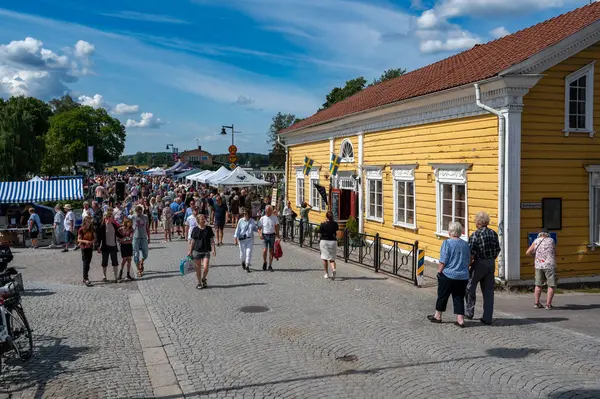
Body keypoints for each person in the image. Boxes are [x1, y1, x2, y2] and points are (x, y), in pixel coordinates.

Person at [427, 222, 471, 328]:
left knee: (443, 295)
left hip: (448, 275)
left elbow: (443, 260)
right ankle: (460, 320)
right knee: (459, 297)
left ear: (450, 232)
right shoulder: (465, 244)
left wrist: (439, 272)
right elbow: (469, 260)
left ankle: (438, 316)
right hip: (462, 276)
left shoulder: (447, 243)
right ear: (460, 232)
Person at [465, 211, 501, 325]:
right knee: (489, 291)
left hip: (479, 263)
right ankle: (487, 317)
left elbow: (471, 253)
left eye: (475, 220)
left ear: (479, 222)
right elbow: (497, 249)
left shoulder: (475, 235)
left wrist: (468, 265)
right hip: (491, 263)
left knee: (470, 287)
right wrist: (492, 258)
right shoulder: (493, 233)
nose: (474, 221)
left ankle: (469, 312)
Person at [526, 229, 557, 310]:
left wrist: (535, 256)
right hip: (549, 265)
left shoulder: (536, 241)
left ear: (539, 234)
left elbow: (527, 252)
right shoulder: (551, 240)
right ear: (547, 234)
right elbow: (554, 252)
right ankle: (548, 304)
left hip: (538, 265)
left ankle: (536, 303)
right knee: (551, 285)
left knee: (538, 284)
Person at [188, 214, 216, 289]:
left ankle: (204, 278)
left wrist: (213, 249)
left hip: (206, 250)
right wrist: (190, 251)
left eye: (204, 218)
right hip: (196, 251)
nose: (203, 220)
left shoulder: (209, 229)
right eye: (201, 219)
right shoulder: (195, 229)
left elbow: (212, 240)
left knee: (206, 267)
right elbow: (193, 241)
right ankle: (199, 282)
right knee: (198, 268)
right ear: (198, 221)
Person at [96, 209, 123, 283]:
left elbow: (118, 234)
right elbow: (99, 237)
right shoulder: (102, 226)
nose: (111, 218)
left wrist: (124, 235)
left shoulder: (114, 225)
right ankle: (104, 276)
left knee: (115, 262)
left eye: (111, 217)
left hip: (113, 246)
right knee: (104, 262)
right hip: (105, 246)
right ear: (105, 217)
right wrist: (98, 246)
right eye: (109, 217)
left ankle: (116, 277)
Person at [234, 208, 258, 273]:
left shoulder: (252, 221)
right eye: (244, 213)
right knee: (242, 253)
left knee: (249, 252)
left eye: (246, 213)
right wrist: (235, 238)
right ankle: (243, 261)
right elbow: (238, 230)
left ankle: (247, 266)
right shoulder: (240, 221)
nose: (244, 215)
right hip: (242, 240)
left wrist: (261, 231)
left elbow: (255, 229)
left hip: (250, 239)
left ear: (249, 214)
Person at [258, 205, 280, 272]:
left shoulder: (274, 217)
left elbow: (276, 227)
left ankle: (270, 265)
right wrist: (260, 234)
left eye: (269, 211)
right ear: (265, 211)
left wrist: (278, 235)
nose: (268, 212)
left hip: (272, 235)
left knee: (271, 251)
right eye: (267, 211)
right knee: (264, 250)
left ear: (271, 211)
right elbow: (259, 228)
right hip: (265, 235)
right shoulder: (262, 218)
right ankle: (265, 262)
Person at [131, 204, 150, 277]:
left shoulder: (145, 217)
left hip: (144, 237)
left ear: (142, 211)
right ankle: (139, 270)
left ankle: (141, 261)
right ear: (135, 211)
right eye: (137, 212)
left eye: (140, 211)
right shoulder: (133, 217)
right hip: (135, 238)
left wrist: (149, 237)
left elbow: (147, 228)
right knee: (136, 254)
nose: (138, 213)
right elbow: (126, 220)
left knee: (145, 254)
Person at [319, 211, 339, 279]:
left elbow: (320, 233)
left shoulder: (323, 224)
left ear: (326, 216)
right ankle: (334, 269)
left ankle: (326, 274)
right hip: (333, 241)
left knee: (324, 258)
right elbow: (336, 230)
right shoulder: (335, 224)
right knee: (332, 259)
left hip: (324, 241)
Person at [77, 216, 96, 287]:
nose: (89, 223)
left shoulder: (92, 229)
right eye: (88, 221)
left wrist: (91, 242)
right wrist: (85, 241)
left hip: (90, 248)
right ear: (85, 222)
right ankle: (85, 278)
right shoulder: (81, 229)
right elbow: (78, 240)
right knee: (85, 263)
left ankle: (85, 277)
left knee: (88, 263)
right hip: (84, 248)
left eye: (90, 221)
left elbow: (94, 238)